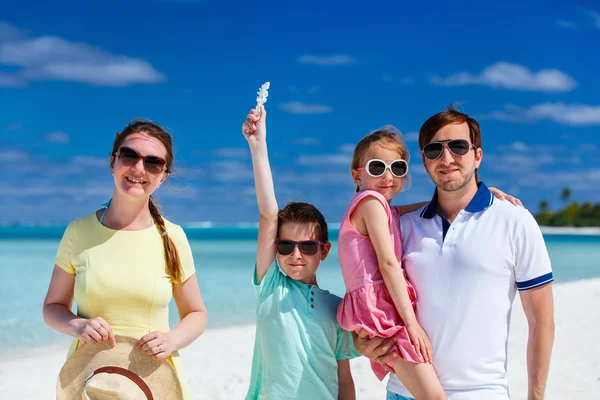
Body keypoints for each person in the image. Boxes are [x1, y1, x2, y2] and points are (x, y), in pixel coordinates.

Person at [354, 106, 554, 400]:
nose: (446, 158)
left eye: (458, 146)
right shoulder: (400, 226)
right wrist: (361, 343)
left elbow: (542, 322)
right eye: (434, 150)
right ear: (423, 161)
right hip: (403, 392)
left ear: (478, 156)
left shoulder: (515, 221)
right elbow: (366, 294)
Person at [43, 120, 208, 399]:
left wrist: (171, 339)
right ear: (113, 162)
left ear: (163, 176)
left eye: (153, 162)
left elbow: (197, 314)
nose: (139, 168)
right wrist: (78, 325)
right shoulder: (78, 232)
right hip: (90, 379)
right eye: (129, 155)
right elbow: (52, 307)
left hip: (152, 381)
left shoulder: (173, 237)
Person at [242, 106, 358, 400]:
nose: (296, 254)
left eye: (307, 246)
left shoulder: (338, 307)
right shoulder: (271, 287)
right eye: (285, 245)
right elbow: (269, 213)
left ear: (324, 250)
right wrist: (258, 145)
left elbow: (344, 378)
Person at [337, 126, 446, 399]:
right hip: (379, 311)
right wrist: (412, 325)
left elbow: (422, 207)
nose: (388, 176)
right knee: (434, 396)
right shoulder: (371, 202)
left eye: (397, 168)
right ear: (356, 175)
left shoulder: (382, 207)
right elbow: (387, 264)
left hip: (379, 307)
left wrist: (475, 195)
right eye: (377, 167)